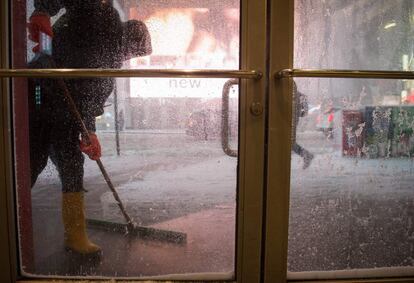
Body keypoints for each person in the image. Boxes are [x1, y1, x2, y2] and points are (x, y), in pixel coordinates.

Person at [27, 0, 152, 255]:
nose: (129, 57)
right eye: (133, 51)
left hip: (62, 108)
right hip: (41, 94)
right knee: (32, 163)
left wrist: (90, 132)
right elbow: (74, 14)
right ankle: (18, 226)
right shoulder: (103, 20)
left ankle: (75, 236)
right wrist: (43, 10)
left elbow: (90, 96)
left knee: (68, 166)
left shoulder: (109, 57)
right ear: (127, 37)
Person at [292, 82, 314, 169]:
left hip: (289, 121)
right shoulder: (301, 96)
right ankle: (306, 155)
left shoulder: (295, 96)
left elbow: (304, 112)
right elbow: (304, 112)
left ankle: (306, 155)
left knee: (288, 142)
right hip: (292, 121)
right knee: (288, 142)